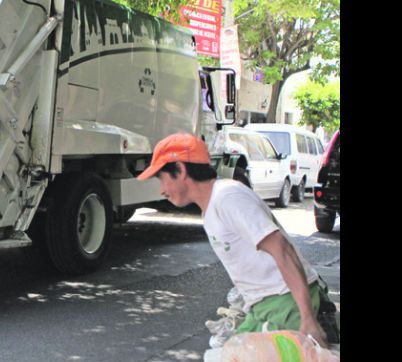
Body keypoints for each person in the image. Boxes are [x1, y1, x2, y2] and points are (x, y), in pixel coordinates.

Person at [137, 133, 335, 347]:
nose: (161, 189)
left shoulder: (228, 198)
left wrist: (307, 319)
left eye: (161, 178)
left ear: (180, 170)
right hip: (266, 305)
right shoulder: (213, 207)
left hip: (287, 304)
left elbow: (282, 249)